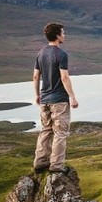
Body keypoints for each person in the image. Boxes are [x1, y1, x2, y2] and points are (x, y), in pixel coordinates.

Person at [32, 22, 79, 173]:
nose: (64, 35)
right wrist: (72, 97)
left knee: (46, 130)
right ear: (58, 36)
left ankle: (40, 161)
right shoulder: (61, 54)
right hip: (59, 100)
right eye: (63, 33)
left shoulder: (40, 53)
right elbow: (64, 77)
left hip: (45, 99)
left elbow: (35, 76)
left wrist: (37, 95)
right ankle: (57, 166)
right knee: (60, 133)